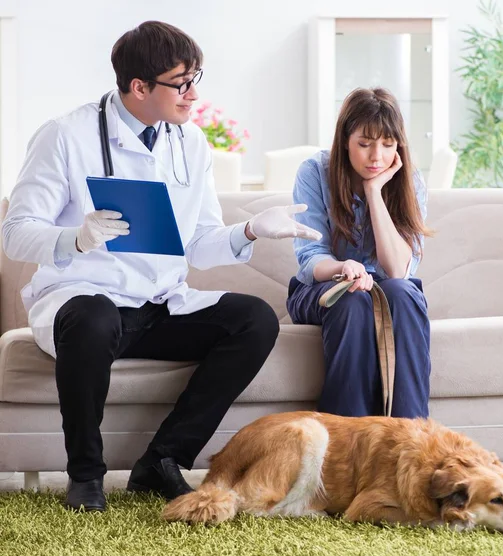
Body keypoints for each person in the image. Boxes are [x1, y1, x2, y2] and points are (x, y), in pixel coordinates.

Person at [2, 21, 321, 512]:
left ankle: (162, 460)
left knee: (253, 318)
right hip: (86, 299)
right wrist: (75, 237)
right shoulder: (65, 135)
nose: (194, 94)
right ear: (139, 87)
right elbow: (15, 232)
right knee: (93, 315)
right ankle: (85, 474)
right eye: (182, 83)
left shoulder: (189, 143)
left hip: (160, 301)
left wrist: (252, 229)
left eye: (197, 78)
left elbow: (197, 244)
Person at [286, 87, 431, 420]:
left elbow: (397, 270)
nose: (376, 157)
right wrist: (343, 266)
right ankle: (346, 443)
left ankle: (411, 437)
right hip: (324, 287)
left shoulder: (409, 179)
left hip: (385, 288)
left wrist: (374, 192)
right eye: (364, 144)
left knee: (404, 293)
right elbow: (310, 259)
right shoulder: (315, 172)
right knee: (351, 299)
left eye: (387, 145)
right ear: (345, 140)